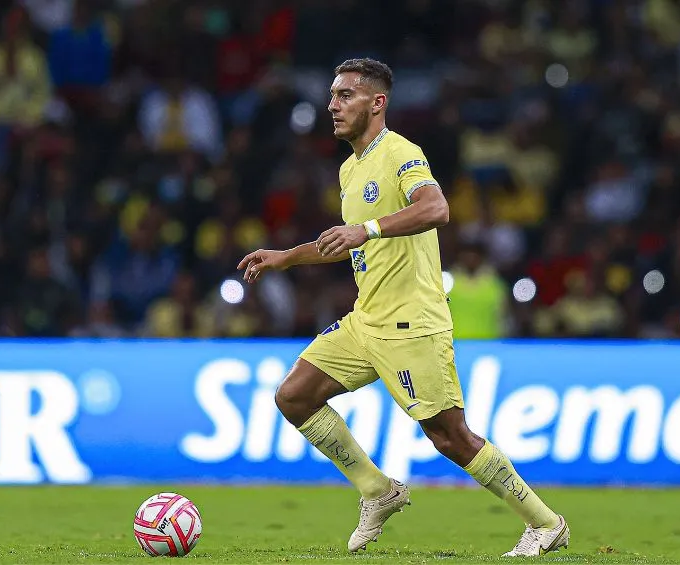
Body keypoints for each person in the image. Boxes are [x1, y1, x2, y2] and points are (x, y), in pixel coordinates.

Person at [237, 58, 569, 557]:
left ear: (377, 103)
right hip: (366, 320)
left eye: (345, 95)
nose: (332, 104)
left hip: (413, 324)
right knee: (294, 396)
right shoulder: (350, 168)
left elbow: (437, 209)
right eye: (332, 94)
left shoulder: (400, 153)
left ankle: (545, 523)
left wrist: (367, 230)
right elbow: (345, 240)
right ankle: (378, 490)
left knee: (450, 437)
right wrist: (287, 256)